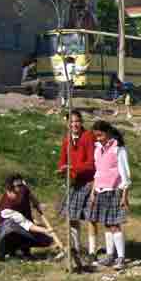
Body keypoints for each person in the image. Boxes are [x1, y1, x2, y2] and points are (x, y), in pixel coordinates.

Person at [89, 121, 131, 270]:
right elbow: (98, 172)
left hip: (114, 191)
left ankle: (121, 257)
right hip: (101, 190)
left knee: (114, 224)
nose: (98, 138)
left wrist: (124, 195)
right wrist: (93, 191)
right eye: (96, 136)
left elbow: (125, 173)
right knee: (106, 224)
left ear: (107, 133)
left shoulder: (118, 148)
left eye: (100, 135)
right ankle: (109, 255)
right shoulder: (97, 149)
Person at [57, 110, 97, 258]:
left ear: (81, 122)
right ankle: (76, 248)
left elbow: (91, 163)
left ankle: (92, 251)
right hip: (74, 182)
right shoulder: (67, 140)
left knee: (91, 217)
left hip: (89, 181)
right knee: (72, 216)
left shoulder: (88, 137)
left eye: (77, 121)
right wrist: (62, 169)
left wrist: (73, 168)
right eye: (71, 122)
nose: (74, 124)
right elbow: (62, 160)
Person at [0, 174, 53, 261]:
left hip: (21, 227)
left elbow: (28, 193)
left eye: (21, 185)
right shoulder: (6, 209)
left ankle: (25, 251)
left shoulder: (22, 189)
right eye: (18, 186)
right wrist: (46, 230)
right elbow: (27, 225)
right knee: (10, 228)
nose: (20, 188)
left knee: (47, 239)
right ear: (9, 189)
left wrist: (36, 203)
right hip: (7, 234)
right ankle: (10, 252)